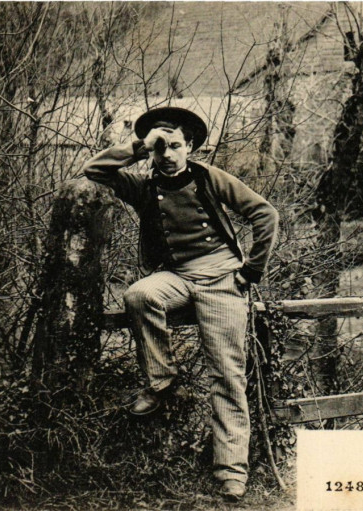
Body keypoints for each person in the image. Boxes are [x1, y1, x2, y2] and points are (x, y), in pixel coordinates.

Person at [83, 106, 279, 501]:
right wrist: (138, 146)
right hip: (176, 275)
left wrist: (251, 271)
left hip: (221, 279)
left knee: (227, 374)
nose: (168, 155)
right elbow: (95, 171)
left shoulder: (208, 177)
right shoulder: (144, 186)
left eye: (175, 145)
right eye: (161, 147)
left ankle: (231, 471)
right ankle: (162, 381)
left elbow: (265, 214)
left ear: (189, 146)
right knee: (139, 295)